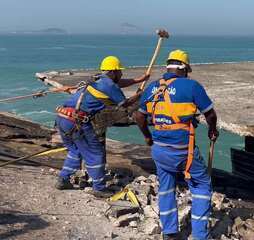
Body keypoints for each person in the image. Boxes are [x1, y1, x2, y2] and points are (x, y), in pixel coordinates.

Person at [134, 49, 219, 240]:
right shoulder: (191, 86)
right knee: (201, 186)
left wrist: (148, 137)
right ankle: (199, 234)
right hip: (183, 151)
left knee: (166, 188)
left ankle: (170, 232)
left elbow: (139, 116)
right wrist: (212, 130)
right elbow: (210, 114)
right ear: (185, 68)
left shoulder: (153, 87)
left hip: (159, 150)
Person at [55, 56, 149, 198]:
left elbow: (118, 83)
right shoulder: (110, 86)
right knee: (95, 153)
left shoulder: (97, 78)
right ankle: (99, 187)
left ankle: (63, 179)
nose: (121, 74)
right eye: (119, 71)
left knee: (75, 151)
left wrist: (138, 80)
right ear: (113, 71)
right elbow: (124, 104)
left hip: (62, 118)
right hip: (78, 121)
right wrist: (140, 95)